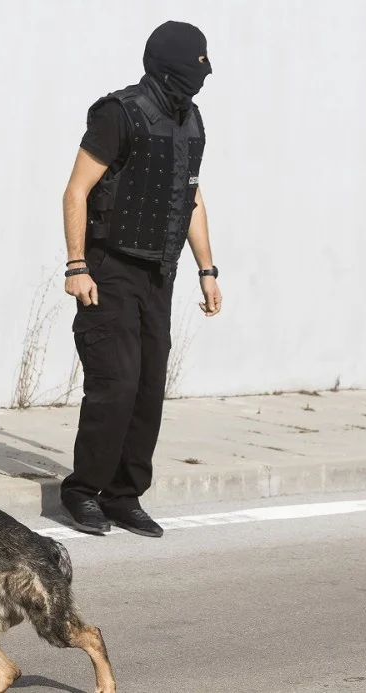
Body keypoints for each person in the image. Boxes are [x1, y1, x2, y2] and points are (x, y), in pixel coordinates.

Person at [58, 20, 223, 538]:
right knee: (116, 384)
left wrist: (208, 270)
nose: (199, 80)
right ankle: (83, 491)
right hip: (109, 269)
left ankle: (124, 495)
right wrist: (76, 264)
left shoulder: (191, 122)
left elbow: (190, 197)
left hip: (160, 275)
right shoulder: (119, 114)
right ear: (169, 65)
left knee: (149, 388)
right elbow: (76, 191)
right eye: (193, 68)